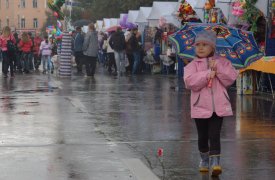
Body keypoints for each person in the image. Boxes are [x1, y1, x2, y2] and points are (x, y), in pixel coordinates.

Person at [183, 30, 239, 177]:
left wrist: (218, 68)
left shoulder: (222, 62)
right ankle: (204, 160)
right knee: (202, 136)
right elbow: (190, 83)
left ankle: (216, 163)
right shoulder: (192, 65)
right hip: (200, 107)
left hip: (218, 107)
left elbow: (230, 79)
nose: (200, 48)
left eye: (205, 45)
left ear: (212, 48)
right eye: (198, 45)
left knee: (214, 134)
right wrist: (207, 74)